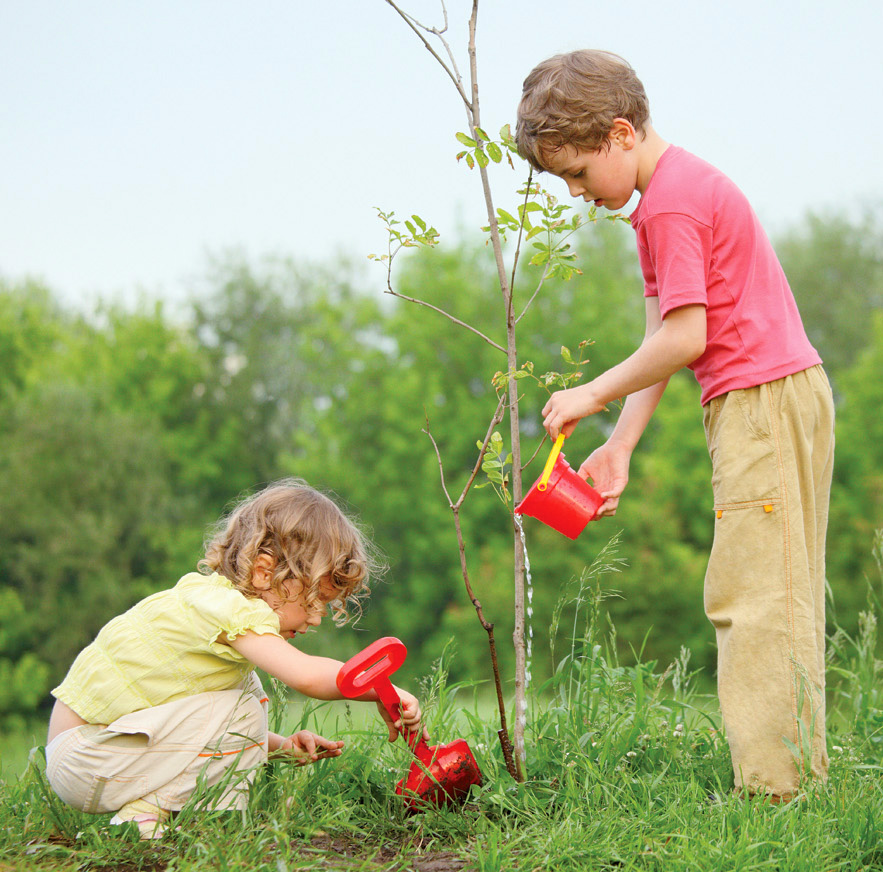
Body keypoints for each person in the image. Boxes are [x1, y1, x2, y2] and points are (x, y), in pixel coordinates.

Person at [516, 50, 834, 801]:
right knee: (776, 586)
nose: (575, 193)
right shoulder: (662, 202)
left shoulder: (670, 204)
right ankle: (792, 778)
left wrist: (590, 393)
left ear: (620, 134)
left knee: (755, 595)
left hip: (760, 402)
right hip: (764, 398)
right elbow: (663, 332)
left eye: (577, 173)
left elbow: (686, 339)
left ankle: (776, 792)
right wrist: (621, 441)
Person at [46, 479, 425, 838]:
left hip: (93, 758)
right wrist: (381, 690)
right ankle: (147, 817)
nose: (315, 618)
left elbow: (192, 721)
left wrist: (279, 745)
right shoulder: (230, 612)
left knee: (245, 692)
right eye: (314, 600)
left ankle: (157, 816)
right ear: (264, 573)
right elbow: (307, 676)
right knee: (242, 703)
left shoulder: (210, 603)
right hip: (88, 757)